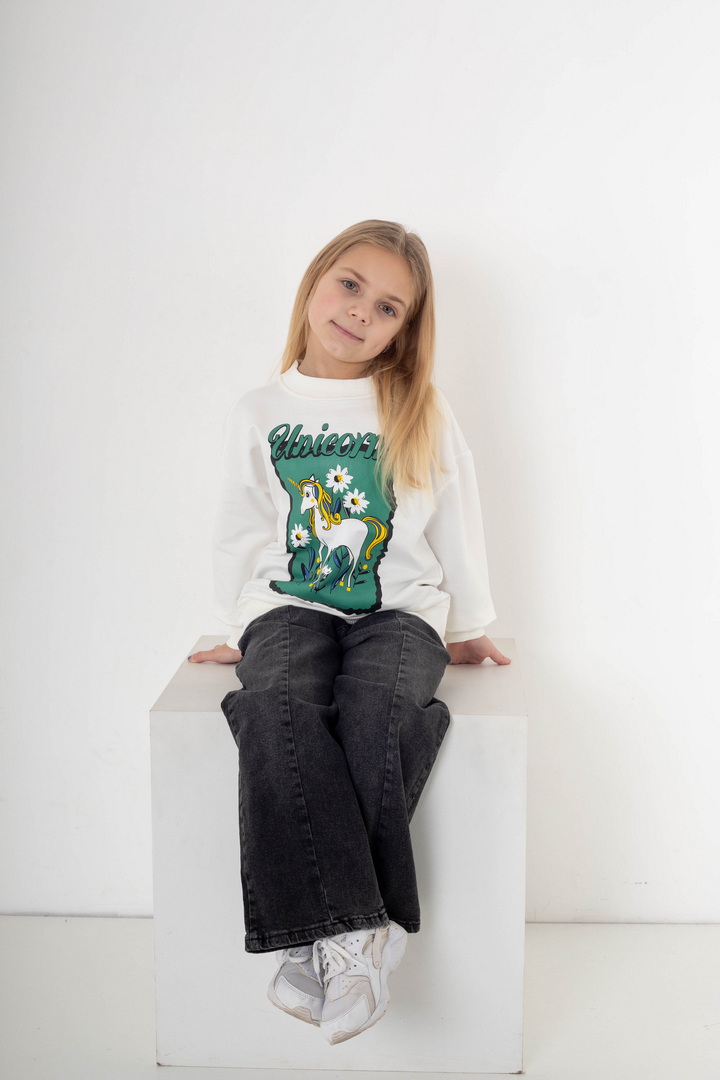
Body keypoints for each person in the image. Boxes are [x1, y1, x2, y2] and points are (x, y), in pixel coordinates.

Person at [188, 219, 511, 1045]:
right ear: (315, 282)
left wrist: (471, 623)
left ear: (404, 331)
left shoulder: (418, 407)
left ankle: (314, 939)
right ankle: (358, 930)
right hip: (288, 606)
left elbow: (457, 516)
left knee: (380, 713)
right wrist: (231, 623)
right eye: (351, 285)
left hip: (401, 610)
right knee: (273, 706)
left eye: (389, 307)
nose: (362, 310)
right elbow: (238, 523)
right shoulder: (260, 410)